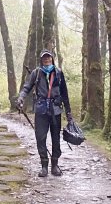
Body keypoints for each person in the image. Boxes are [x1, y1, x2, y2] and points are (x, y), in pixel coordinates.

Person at [15, 49, 73, 177]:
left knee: (56, 138)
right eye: (44, 58)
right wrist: (21, 98)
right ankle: (44, 166)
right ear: (41, 60)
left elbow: (64, 94)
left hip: (56, 110)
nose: (46, 60)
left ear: (52, 58)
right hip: (41, 110)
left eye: (48, 57)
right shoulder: (36, 73)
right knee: (40, 138)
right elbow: (26, 87)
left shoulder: (58, 73)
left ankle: (55, 165)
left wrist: (68, 113)